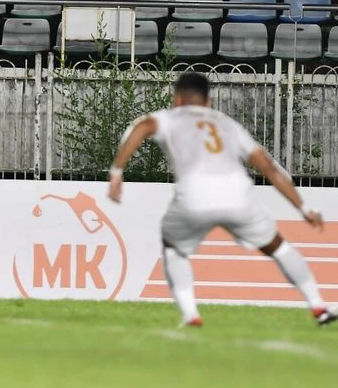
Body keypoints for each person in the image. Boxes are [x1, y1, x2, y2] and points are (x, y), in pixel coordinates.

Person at [109, 72, 337, 327]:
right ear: (208, 102)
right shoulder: (227, 124)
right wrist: (303, 208)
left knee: (173, 246)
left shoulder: (168, 118)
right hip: (238, 193)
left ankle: (190, 314)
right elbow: (270, 168)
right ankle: (318, 305)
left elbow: (140, 127)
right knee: (278, 246)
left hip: (194, 196)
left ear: (177, 99)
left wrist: (117, 171)